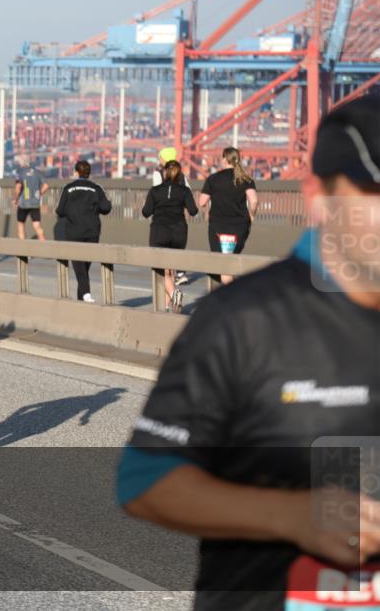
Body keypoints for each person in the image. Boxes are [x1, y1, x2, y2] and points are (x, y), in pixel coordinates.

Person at [117, 96, 380, 611]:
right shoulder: (243, 321)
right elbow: (145, 478)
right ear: (319, 197)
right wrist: (293, 517)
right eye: (374, 190)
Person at [141, 160, 198, 312]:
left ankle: (174, 293)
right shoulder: (184, 191)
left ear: (165, 172)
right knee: (171, 270)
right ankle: (166, 306)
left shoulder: (155, 190)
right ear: (180, 173)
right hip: (179, 232)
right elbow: (193, 211)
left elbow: (146, 212)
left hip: (160, 232)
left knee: (162, 270)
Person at [198, 146, 258, 285]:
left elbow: (202, 202)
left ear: (224, 159)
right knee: (229, 262)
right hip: (240, 226)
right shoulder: (246, 179)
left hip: (218, 226)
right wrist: (251, 215)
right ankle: (231, 294)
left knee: (224, 265)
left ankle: (230, 298)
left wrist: (206, 214)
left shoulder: (213, 179)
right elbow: (254, 200)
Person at [55, 160, 112, 303]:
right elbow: (106, 208)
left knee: (79, 265)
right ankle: (84, 296)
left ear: (76, 172)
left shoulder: (68, 188)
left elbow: (60, 211)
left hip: (74, 231)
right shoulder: (96, 188)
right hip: (92, 231)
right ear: (89, 173)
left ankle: (85, 295)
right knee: (84, 264)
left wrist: (72, 211)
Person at [13, 158, 49, 240]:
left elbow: (18, 187)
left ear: (22, 164)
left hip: (23, 203)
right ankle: (44, 245)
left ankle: (22, 248)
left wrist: (16, 199)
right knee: (37, 225)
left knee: (21, 224)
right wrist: (39, 193)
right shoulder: (37, 172)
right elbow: (46, 186)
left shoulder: (20, 173)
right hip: (35, 203)